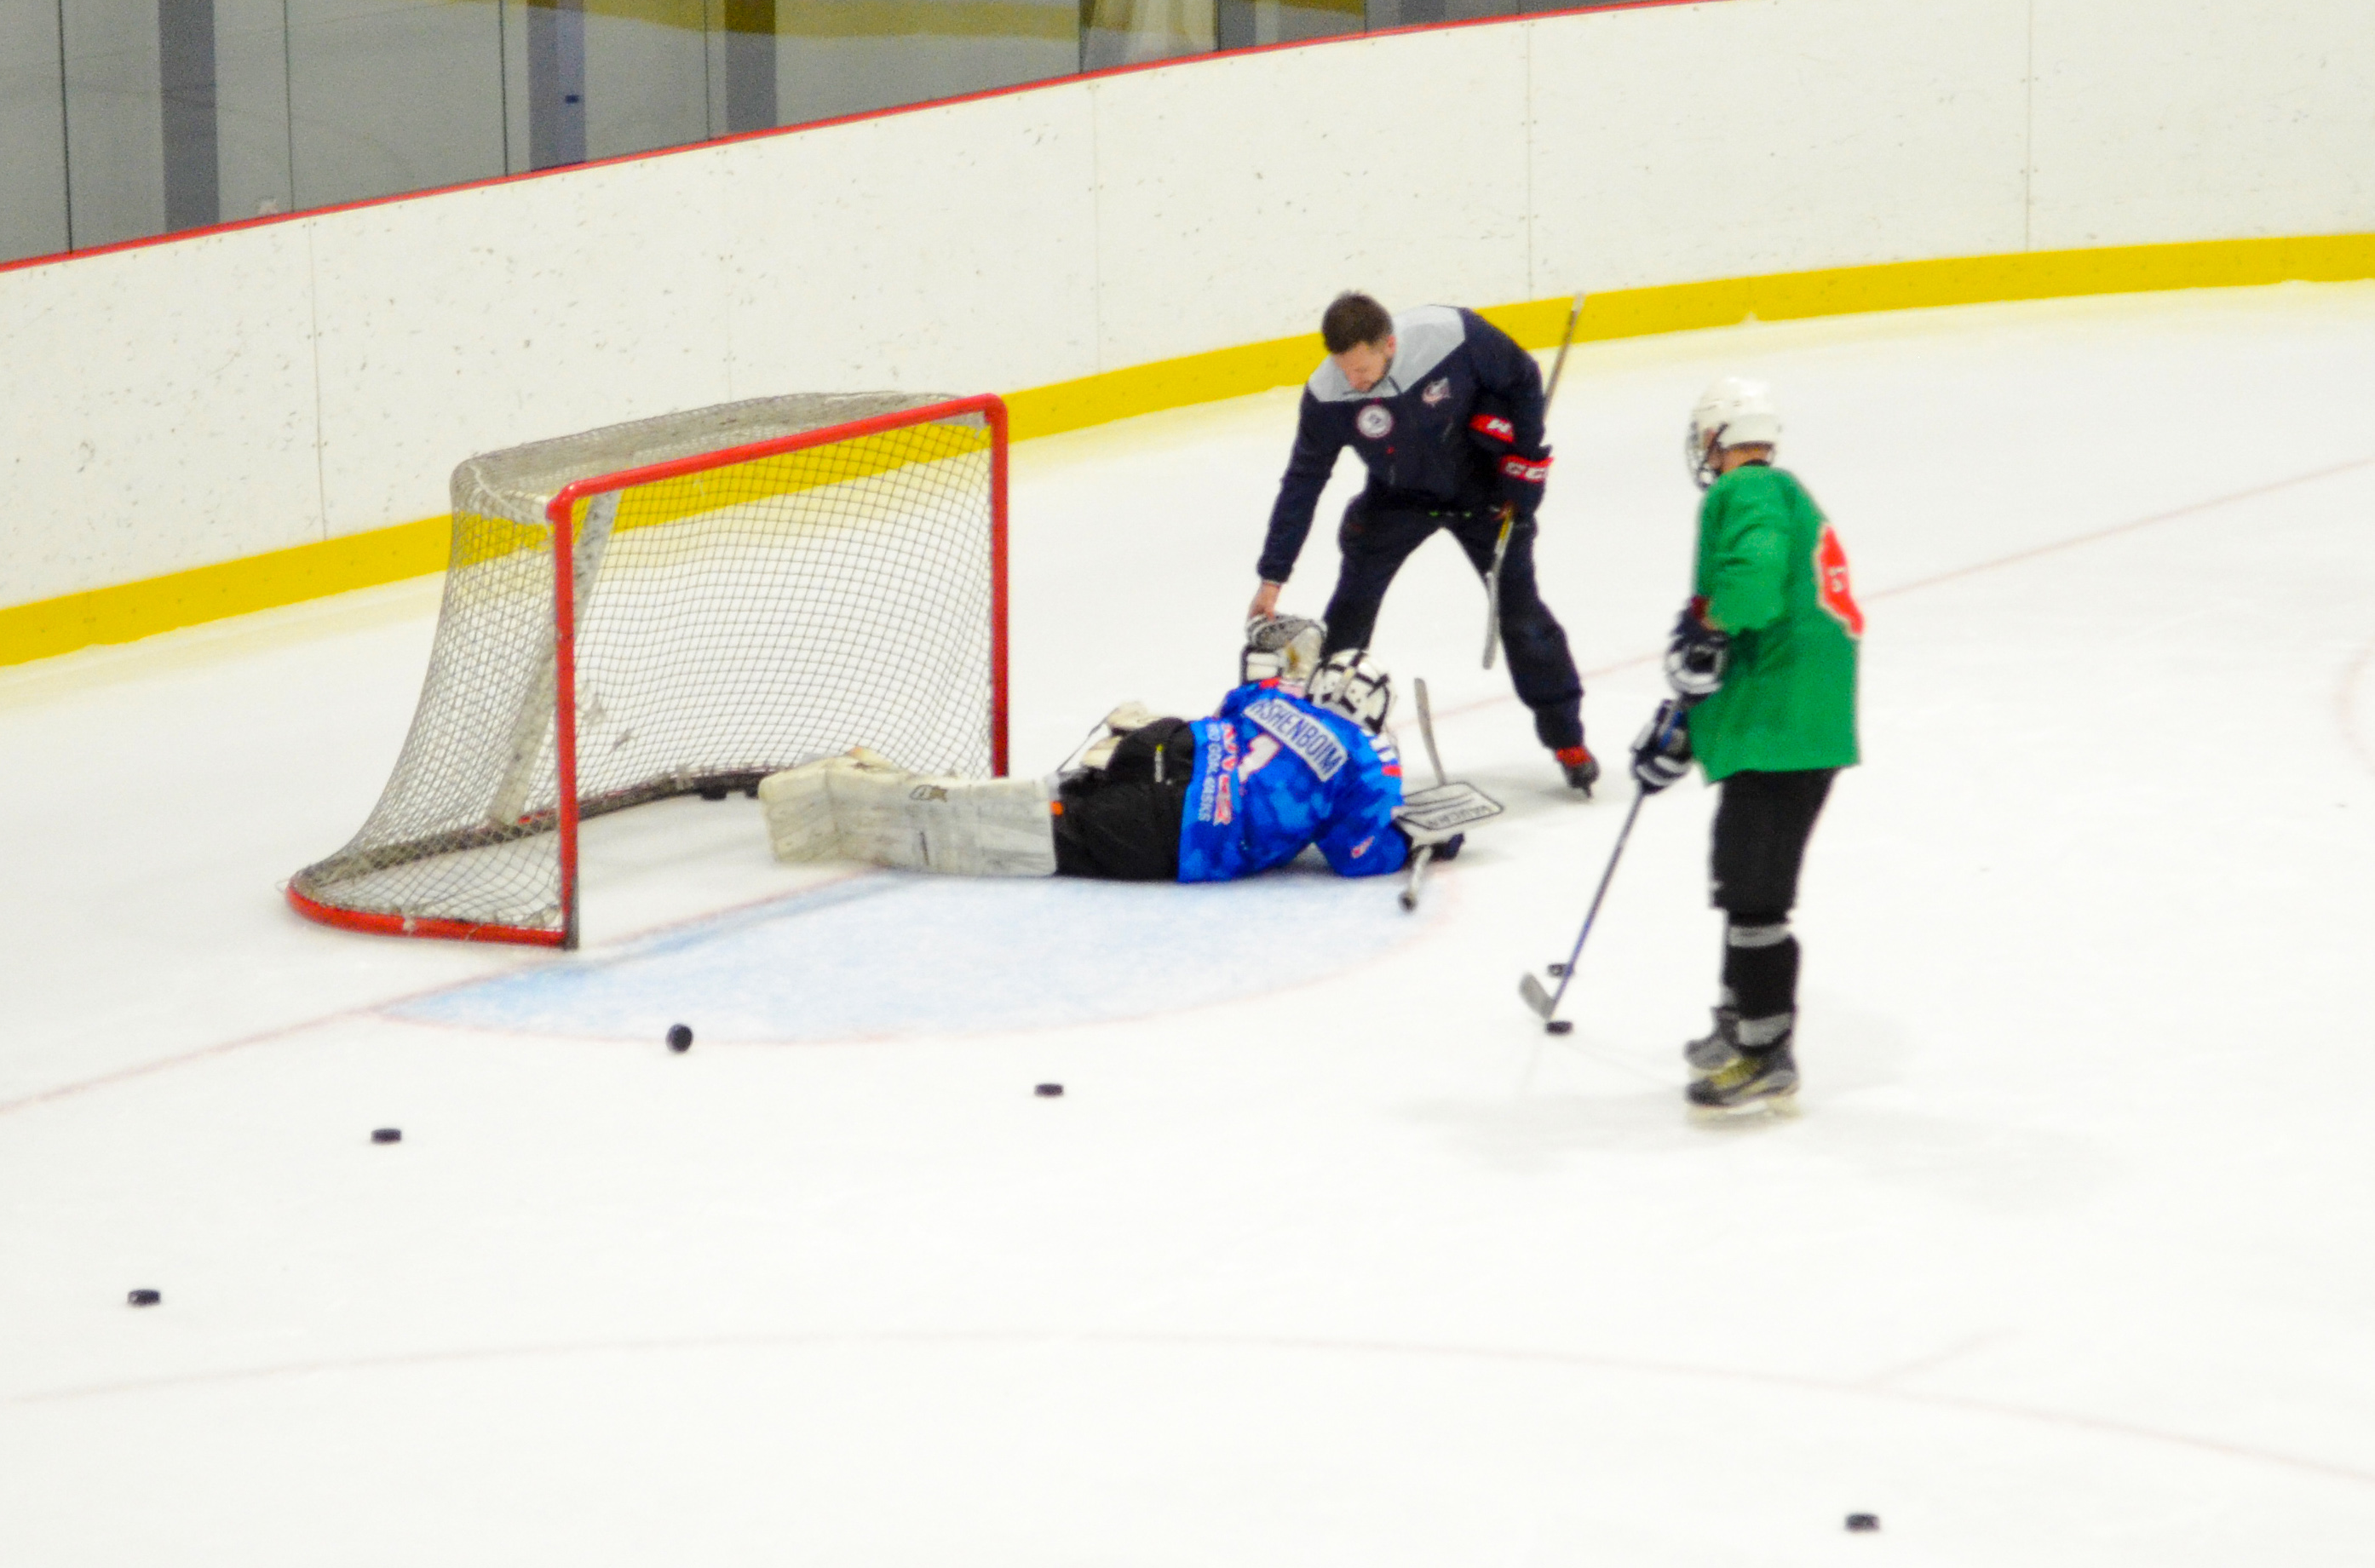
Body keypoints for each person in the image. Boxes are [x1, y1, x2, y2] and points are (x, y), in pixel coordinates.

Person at [1249, 291, 1597, 794]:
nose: (1356, 383)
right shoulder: (1328, 395)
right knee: (1350, 608)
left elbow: (1522, 378)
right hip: (1397, 499)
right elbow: (1303, 481)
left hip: (1484, 494)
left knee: (1521, 614)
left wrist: (1524, 463)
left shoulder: (1454, 337)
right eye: (1346, 372)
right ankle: (1325, 741)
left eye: (1364, 370)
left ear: (1389, 344)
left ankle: (1567, 738)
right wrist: (1273, 575)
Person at [1630, 379, 1860, 1113]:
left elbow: (1751, 596)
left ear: (1718, 436)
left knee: (1756, 890)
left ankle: (1765, 1050)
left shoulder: (1749, 492)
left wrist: (1706, 629)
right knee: (1739, 876)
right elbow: (1747, 643)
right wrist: (1686, 724)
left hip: (1784, 733)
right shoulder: (1787, 494)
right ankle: (1740, 1024)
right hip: (1787, 723)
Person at [759, 632, 1419, 884]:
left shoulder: (1275, 698)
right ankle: (1056, 809)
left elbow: (1234, 697)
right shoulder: (1365, 758)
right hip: (1184, 827)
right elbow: (1356, 857)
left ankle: (1091, 769)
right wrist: (1410, 838)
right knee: (1048, 834)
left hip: (1170, 744)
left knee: (1109, 773)